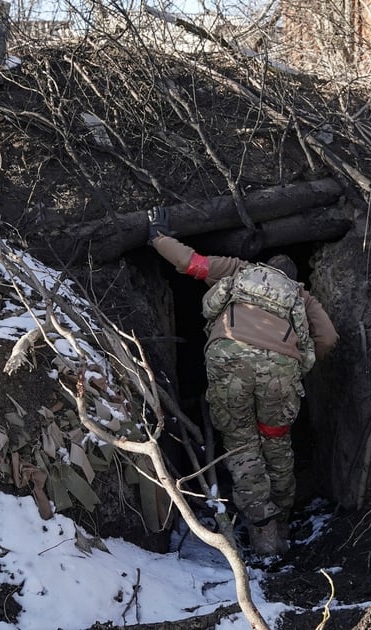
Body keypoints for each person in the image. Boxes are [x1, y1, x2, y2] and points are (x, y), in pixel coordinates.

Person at [147, 207, 338, 556]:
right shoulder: (301, 297)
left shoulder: (239, 271)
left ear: (264, 269)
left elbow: (193, 264)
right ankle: (282, 520)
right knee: (276, 443)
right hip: (279, 374)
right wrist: (299, 360)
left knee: (242, 446)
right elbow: (327, 337)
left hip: (229, 362)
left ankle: (262, 531)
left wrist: (158, 236)